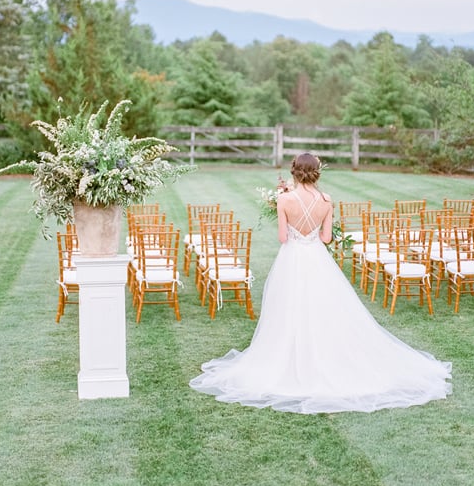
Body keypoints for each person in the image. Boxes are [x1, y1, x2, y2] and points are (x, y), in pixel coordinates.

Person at [189, 153, 452, 413]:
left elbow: (283, 237)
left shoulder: (284, 199)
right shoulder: (327, 200)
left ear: (294, 171)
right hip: (316, 258)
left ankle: (291, 358)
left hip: (292, 259)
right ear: (317, 172)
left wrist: (290, 220)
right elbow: (326, 238)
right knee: (324, 307)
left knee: (289, 308)